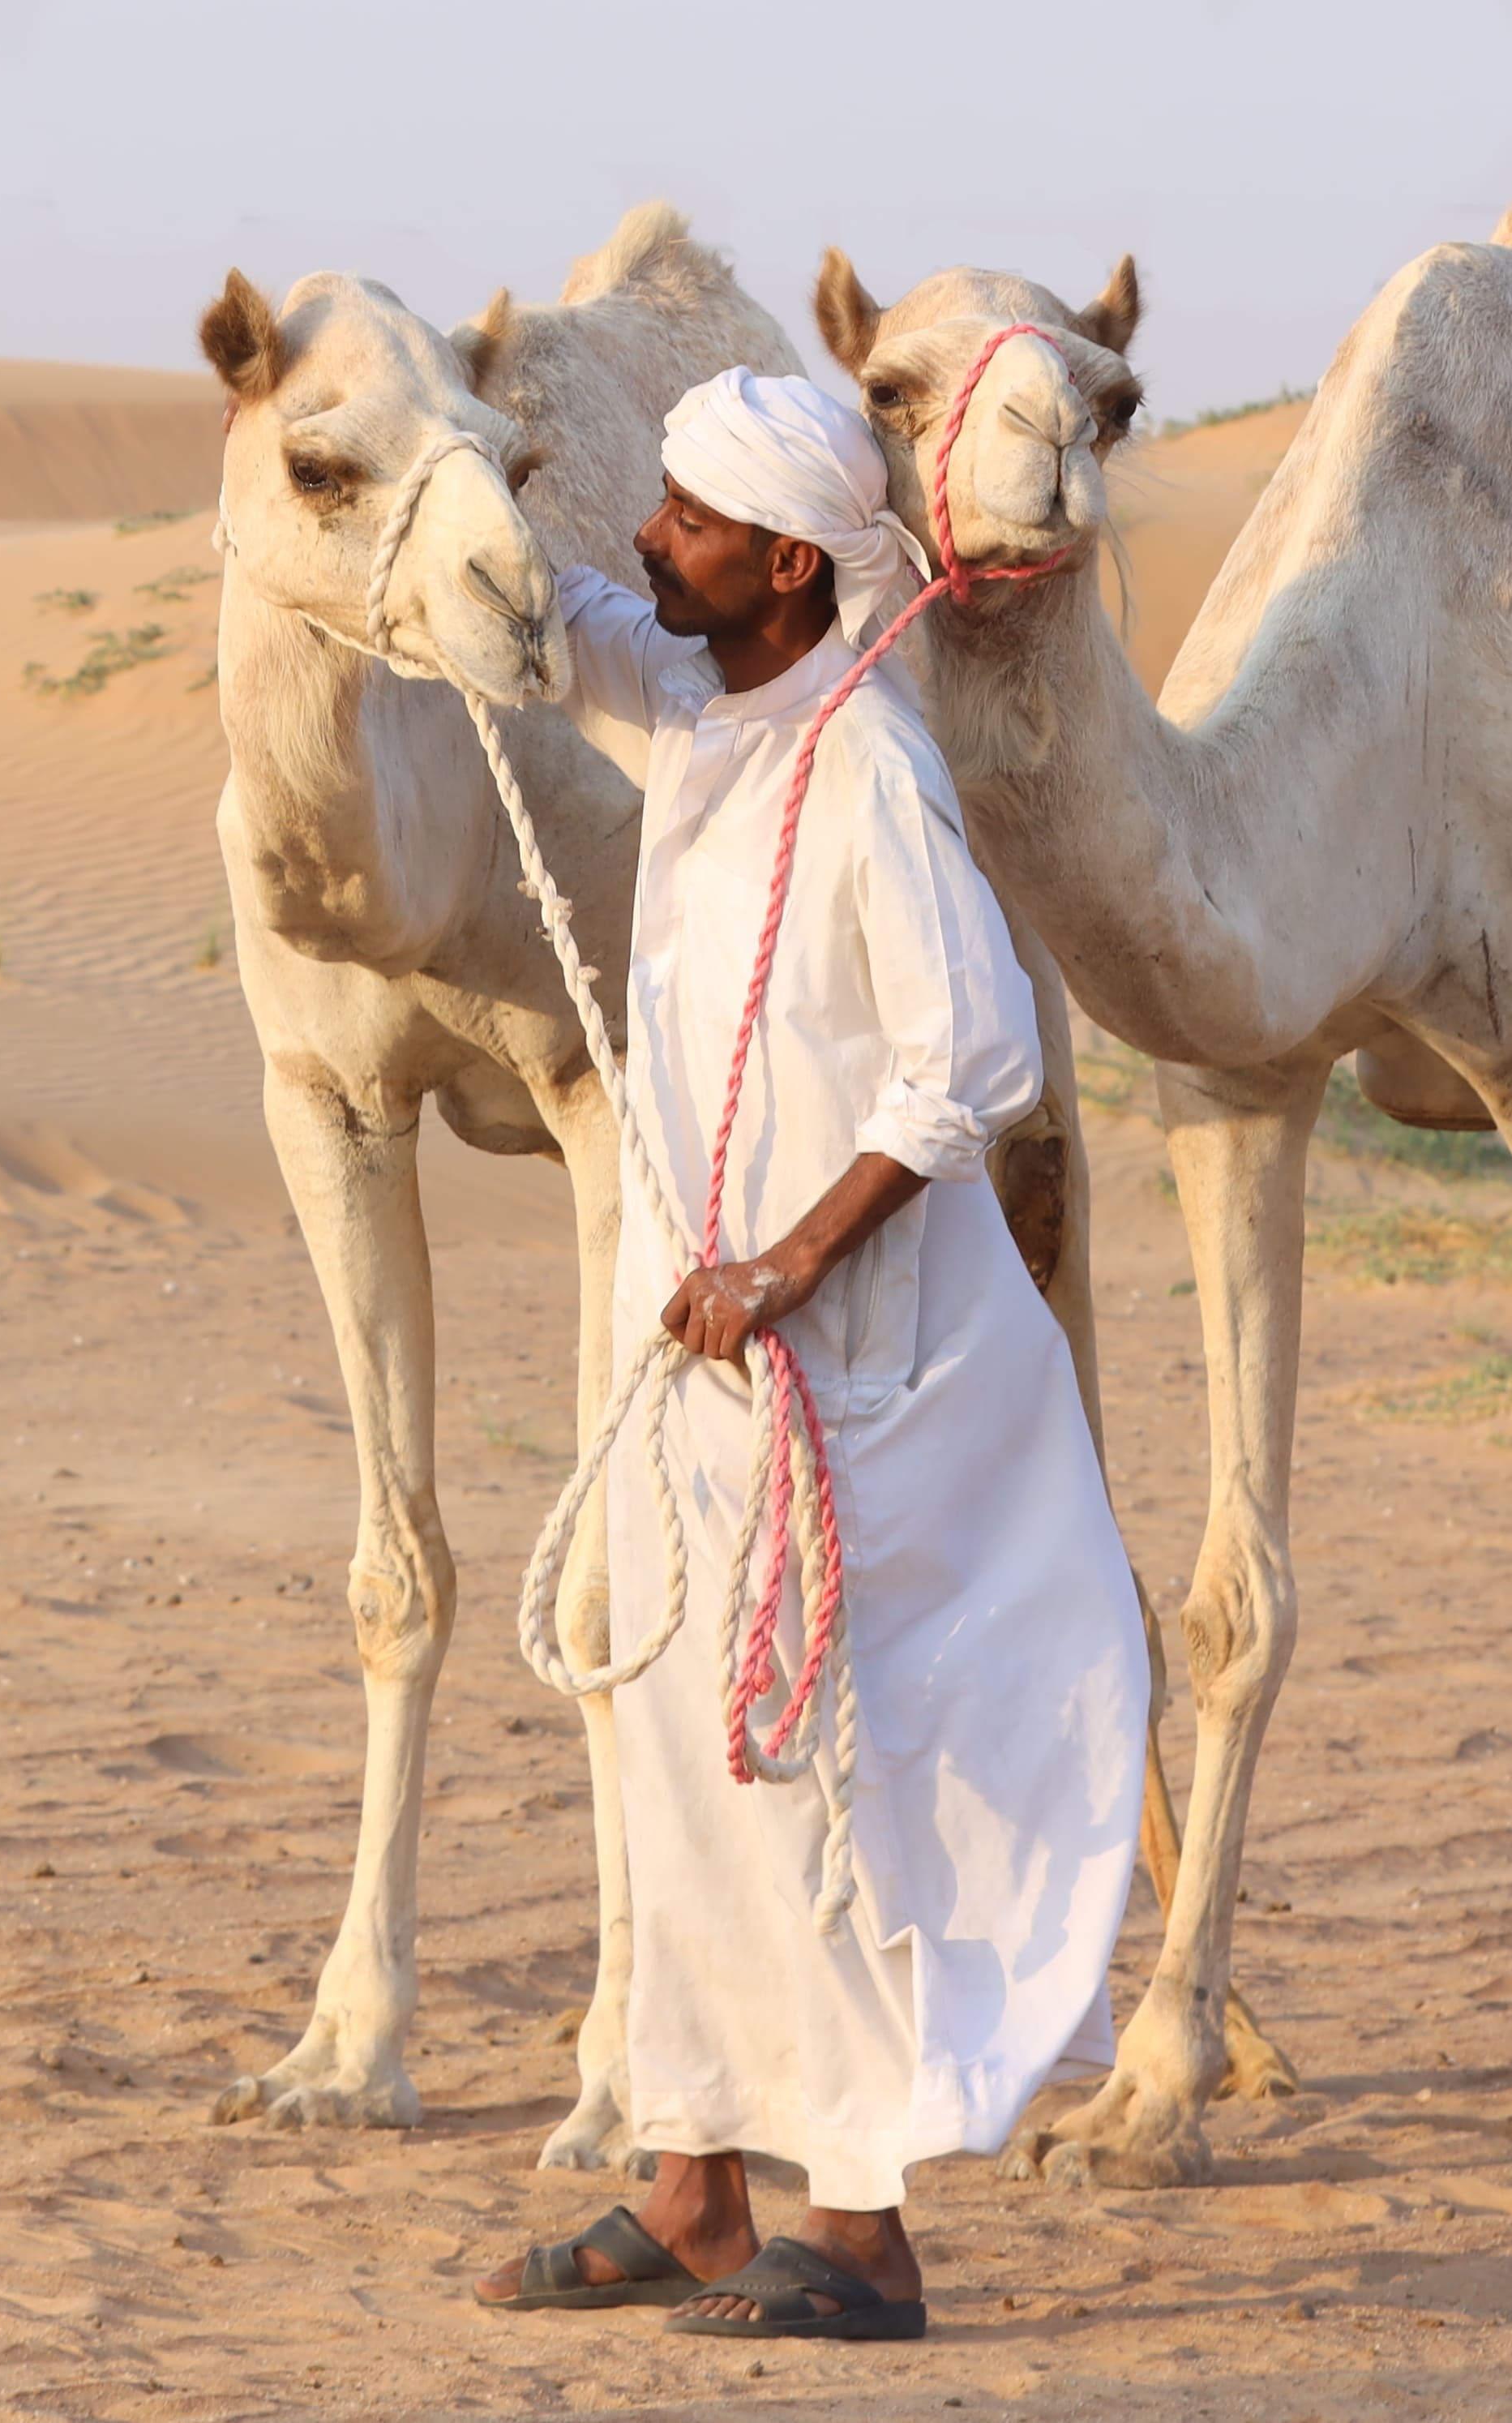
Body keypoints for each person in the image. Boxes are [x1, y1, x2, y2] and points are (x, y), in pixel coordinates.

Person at [469, 371, 1150, 2344]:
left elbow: (975, 1064)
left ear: (783, 564)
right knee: (683, 1761)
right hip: (694, 1367)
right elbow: (545, 620)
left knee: (826, 1780)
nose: (647, 541)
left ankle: (856, 2228)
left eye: (685, 520)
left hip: (842, 1366)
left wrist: (783, 1263)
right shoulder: (704, 697)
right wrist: (448, 468)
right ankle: (691, 2184)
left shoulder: (865, 768)